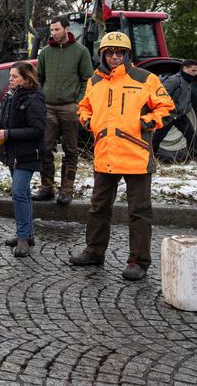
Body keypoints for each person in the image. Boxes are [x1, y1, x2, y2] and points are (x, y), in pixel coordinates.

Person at [69, 31, 174, 281]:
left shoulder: (145, 78)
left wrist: (144, 123)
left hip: (136, 156)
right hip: (104, 155)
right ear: (103, 55)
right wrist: (87, 121)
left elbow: (167, 108)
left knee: (139, 212)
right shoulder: (94, 81)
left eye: (119, 53)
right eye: (110, 53)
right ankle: (94, 252)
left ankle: (138, 261)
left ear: (127, 55)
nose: (115, 57)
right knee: (98, 208)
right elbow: (84, 107)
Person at [34, 16, 93, 206]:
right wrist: (40, 98)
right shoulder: (45, 53)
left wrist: (78, 102)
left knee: (70, 149)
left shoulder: (81, 52)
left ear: (67, 29)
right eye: (51, 30)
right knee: (44, 147)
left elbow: (87, 79)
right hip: (48, 107)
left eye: (57, 30)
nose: (53, 33)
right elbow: (39, 78)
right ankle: (46, 187)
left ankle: (66, 190)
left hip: (70, 107)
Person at [0, 62, 47, 257]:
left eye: (14, 76)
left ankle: (23, 238)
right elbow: (5, 121)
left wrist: (8, 134)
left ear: (26, 78)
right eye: (10, 76)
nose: (10, 79)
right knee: (23, 194)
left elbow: (37, 129)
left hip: (27, 155)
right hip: (13, 154)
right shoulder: (11, 96)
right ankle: (27, 234)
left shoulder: (34, 98)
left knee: (18, 194)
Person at [153, 59, 197, 162]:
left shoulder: (188, 81)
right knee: (157, 138)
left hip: (180, 115)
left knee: (191, 135)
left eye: (196, 71)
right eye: (193, 70)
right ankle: (151, 158)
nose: (196, 73)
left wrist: (186, 107)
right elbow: (161, 95)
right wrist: (168, 110)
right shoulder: (174, 80)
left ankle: (194, 159)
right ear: (185, 68)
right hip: (169, 115)